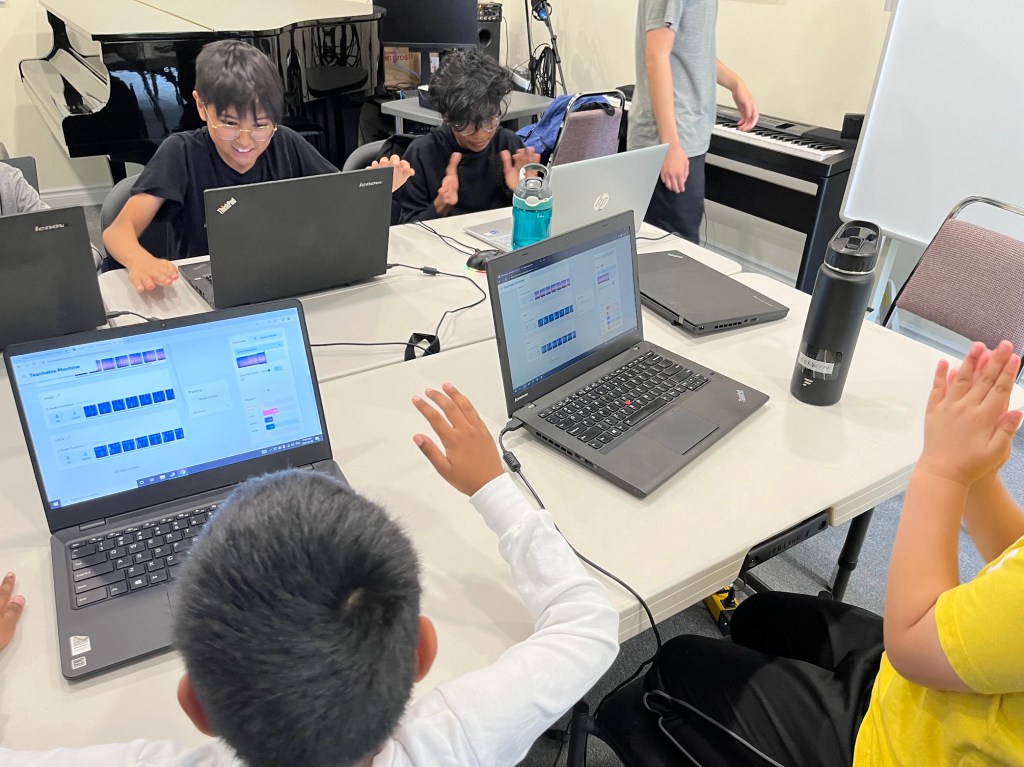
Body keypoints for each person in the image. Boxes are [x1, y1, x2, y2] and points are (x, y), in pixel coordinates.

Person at [0, 383, 619, 766]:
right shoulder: (459, 741)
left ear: (196, 706)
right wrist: (491, 487)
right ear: (422, 652)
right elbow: (588, 624)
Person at [638, 340, 1024, 765]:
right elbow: (1013, 555)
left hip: (891, 747)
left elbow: (912, 645)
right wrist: (979, 475)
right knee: (757, 616)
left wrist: (943, 471)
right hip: (921, 687)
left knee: (672, 666)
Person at [103, 39, 413, 293]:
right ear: (201, 106)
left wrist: (374, 187)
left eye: (261, 125)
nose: (245, 140)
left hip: (281, 278)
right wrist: (138, 260)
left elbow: (336, 200)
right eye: (229, 123)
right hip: (207, 289)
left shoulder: (286, 143)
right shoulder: (181, 153)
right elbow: (118, 231)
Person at [628, 0, 758, 243]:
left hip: (685, 139)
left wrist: (735, 83)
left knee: (682, 249)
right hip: (667, 141)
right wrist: (670, 146)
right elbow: (656, 56)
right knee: (672, 253)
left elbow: (693, 51)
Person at [398, 50, 540, 223]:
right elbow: (404, 231)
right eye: (468, 124)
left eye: (490, 120)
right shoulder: (422, 154)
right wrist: (440, 206)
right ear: (447, 117)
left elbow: (535, 224)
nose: (481, 134)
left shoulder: (509, 145)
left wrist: (525, 197)